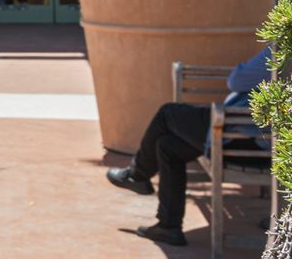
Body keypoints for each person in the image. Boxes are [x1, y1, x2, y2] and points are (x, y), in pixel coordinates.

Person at [105, 44, 272, 247]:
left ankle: (137, 175)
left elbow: (237, 79)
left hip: (240, 140)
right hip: (259, 146)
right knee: (168, 146)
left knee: (167, 114)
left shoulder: (285, 49)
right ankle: (168, 227)